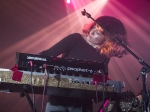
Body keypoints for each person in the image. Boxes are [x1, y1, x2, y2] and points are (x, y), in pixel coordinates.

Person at [39, 16, 128, 112]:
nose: (92, 32)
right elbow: (45, 55)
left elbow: (101, 79)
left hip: (83, 104)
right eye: (94, 27)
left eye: (97, 33)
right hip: (58, 100)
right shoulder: (75, 39)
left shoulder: (104, 55)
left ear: (107, 39)